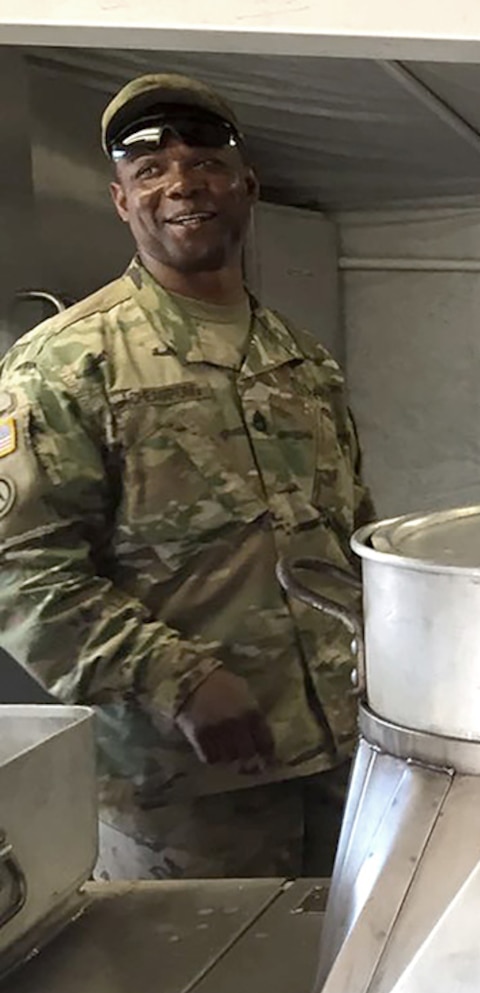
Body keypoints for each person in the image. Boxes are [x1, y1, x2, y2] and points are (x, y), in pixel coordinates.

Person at [0, 73, 372, 879]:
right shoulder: (68, 361)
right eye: (151, 173)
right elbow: (22, 571)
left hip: (340, 761)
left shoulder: (302, 360)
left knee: (345, 983)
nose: (181, 185)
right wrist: (177, 679)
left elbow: (352, 543)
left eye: (204, 163)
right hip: (185, 791)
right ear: (121, 200)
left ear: (246, 187)